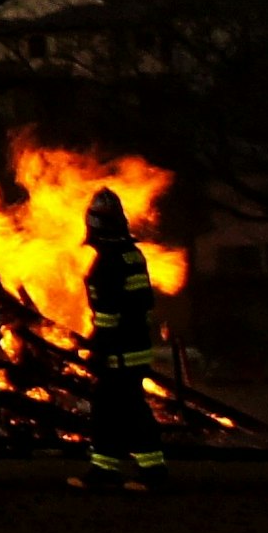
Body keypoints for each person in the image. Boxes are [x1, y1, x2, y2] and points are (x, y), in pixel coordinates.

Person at [76, 189, 169, 492]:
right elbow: (140, 304)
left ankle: (152, 472)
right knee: (106, 408)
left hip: (119, 351)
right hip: (132, 346)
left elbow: (109, 314)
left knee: (129, 410)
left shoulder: (110, 263)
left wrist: (99, 348)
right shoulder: (131, 255)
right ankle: (104, 469)